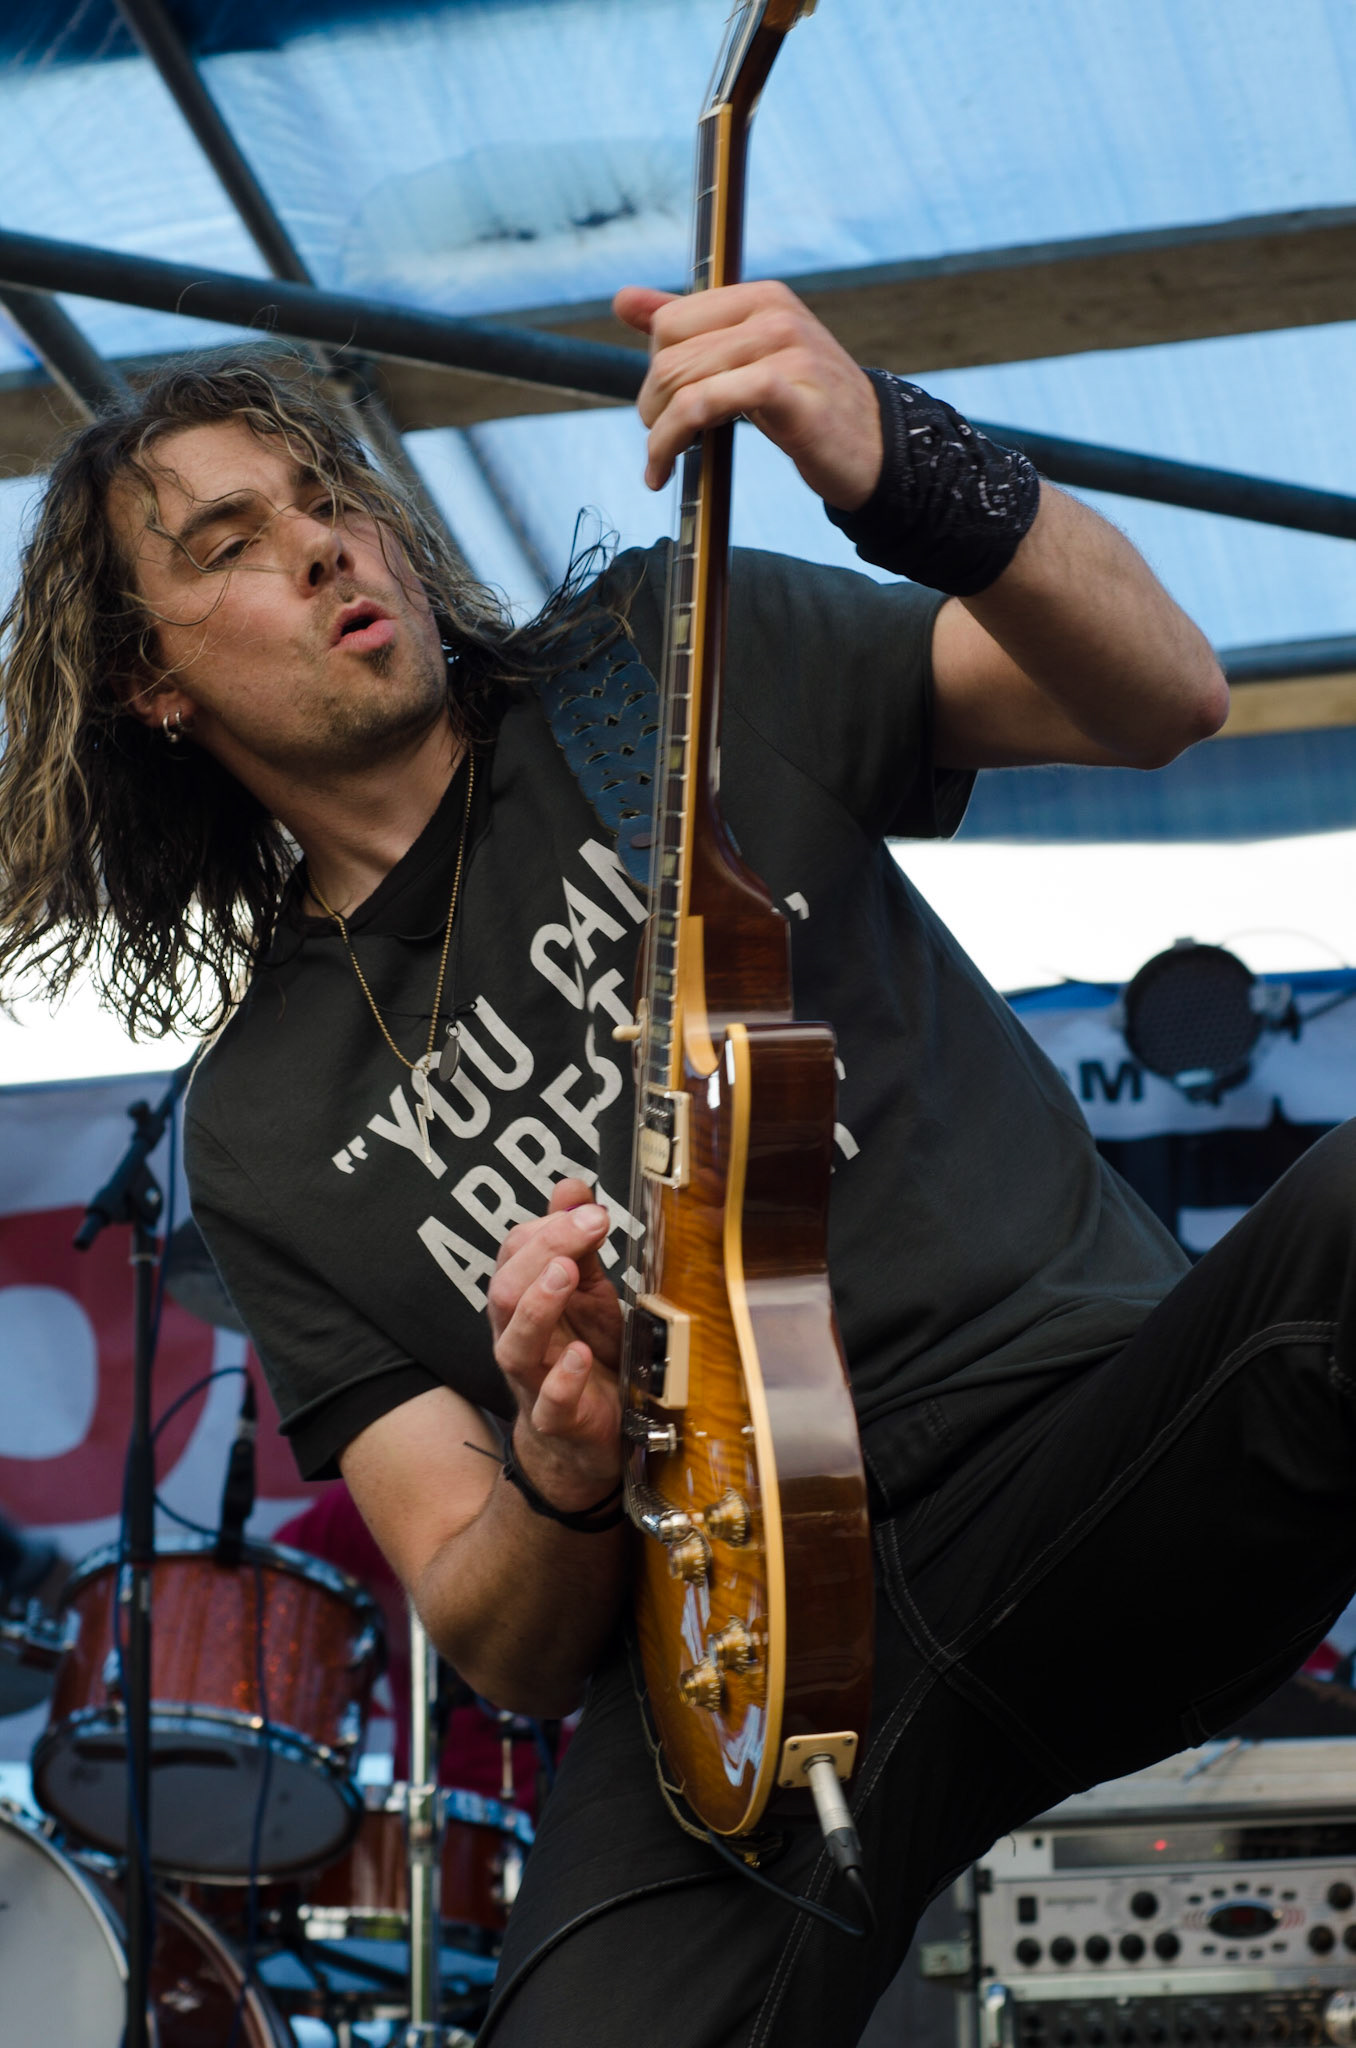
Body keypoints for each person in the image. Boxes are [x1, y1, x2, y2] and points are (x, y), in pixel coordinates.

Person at [2, 277, 1354, 2048]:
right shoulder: (257, 1120)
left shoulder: (661, 654)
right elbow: (498, 1640)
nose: (330, 548)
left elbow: (1161, 692)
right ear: (148, 679)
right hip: (740, 1660)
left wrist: (901, 460)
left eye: (333, 493)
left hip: (1081, 1449)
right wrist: (561, 1467)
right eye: (237, 542)